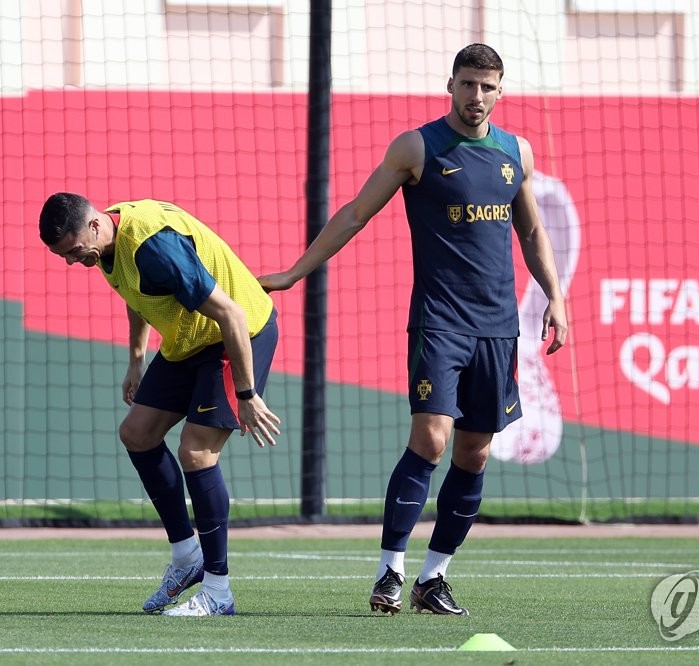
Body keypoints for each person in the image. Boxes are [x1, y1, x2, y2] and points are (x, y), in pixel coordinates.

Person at [259, 43, 568, 616]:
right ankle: (389, 573)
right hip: (440, 321)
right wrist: (294, 273)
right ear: (449, 85)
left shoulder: (515, 153)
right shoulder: (416, 147)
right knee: (431, 438)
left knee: (474, 454)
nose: (477, 96)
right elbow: (355, 213)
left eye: (488, 86)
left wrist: (556, 297)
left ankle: (434, 578)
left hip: (497, 328)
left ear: (502, 91)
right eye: (468, 84)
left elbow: (531, 234)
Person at [39, 194, 282, 617]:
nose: (72, 261)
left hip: (236, 333)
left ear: (94, 225)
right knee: (137, 433)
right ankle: (188, 556)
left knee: (197, 452)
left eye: (74, 251)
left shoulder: (155, 248)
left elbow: (232, 316)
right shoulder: (108, 245)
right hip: (189, 338)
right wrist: (136, 359)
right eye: (64, 256)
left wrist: (246, 394)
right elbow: (140, 295)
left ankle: (218, 591)